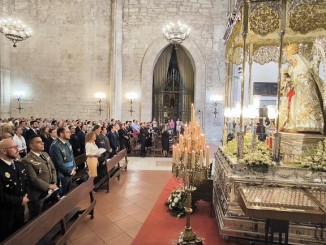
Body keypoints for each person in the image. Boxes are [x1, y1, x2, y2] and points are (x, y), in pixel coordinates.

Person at [281, 43, 324, 134]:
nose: (290, 62)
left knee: (302, 107)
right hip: (297, 92)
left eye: (289, 58)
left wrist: (291, 81)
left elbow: (303, 80)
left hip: (303, 92)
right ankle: (293, 124)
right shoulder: (296, 67)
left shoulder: (301, 67)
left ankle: (306, 124)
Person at [22, 135, 57, 220]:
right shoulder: (26, 159)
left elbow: (52, 168)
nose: (42, 143)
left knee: (49, 211)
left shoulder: (45, 154)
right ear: (31, 146)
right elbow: (33, 179)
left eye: (42, 141)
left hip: (50, 189)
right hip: (37, 194)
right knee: (36, 217)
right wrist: (48, 186)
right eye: (38, 142)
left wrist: (54, 182)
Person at [0, 138, 29, 242]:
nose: (18, 149)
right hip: (5, 213)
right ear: (4, 151)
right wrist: (20, 201)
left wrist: (25, 195)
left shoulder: (18, 164)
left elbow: (24, 182)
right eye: (14, 147)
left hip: (19, 209)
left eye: (17, 146)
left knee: (19, 234)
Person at [49, 127, 76, 196]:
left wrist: (74, 167)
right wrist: (70, 171)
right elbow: (58, 163)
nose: (70, 134)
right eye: (68, 132)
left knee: (68, 193)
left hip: (70, 171)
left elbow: (71, 155)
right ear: (61, 134)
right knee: (63, 195)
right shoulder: (55, 145)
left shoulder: (67, 142)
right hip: (62, 174)